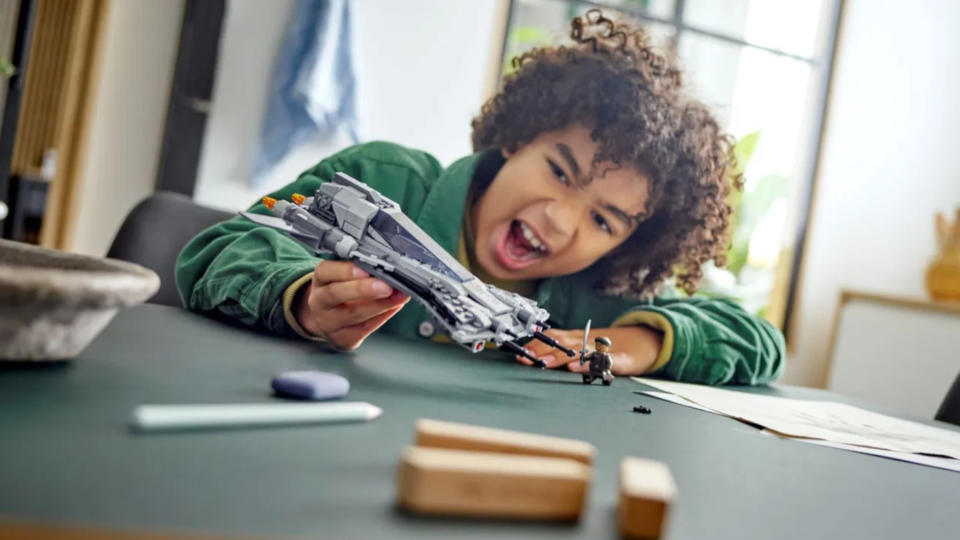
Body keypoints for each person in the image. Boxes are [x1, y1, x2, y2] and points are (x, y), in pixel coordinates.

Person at [175, 9, 785, 385]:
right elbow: (221, 247)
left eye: (604, 219)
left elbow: (757, 340)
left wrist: (633, 345)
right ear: (519, 136)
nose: (560, 219)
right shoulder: (385, 178)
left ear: (632, 243)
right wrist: (301, 297)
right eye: (559, 170)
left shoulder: (604, 288)